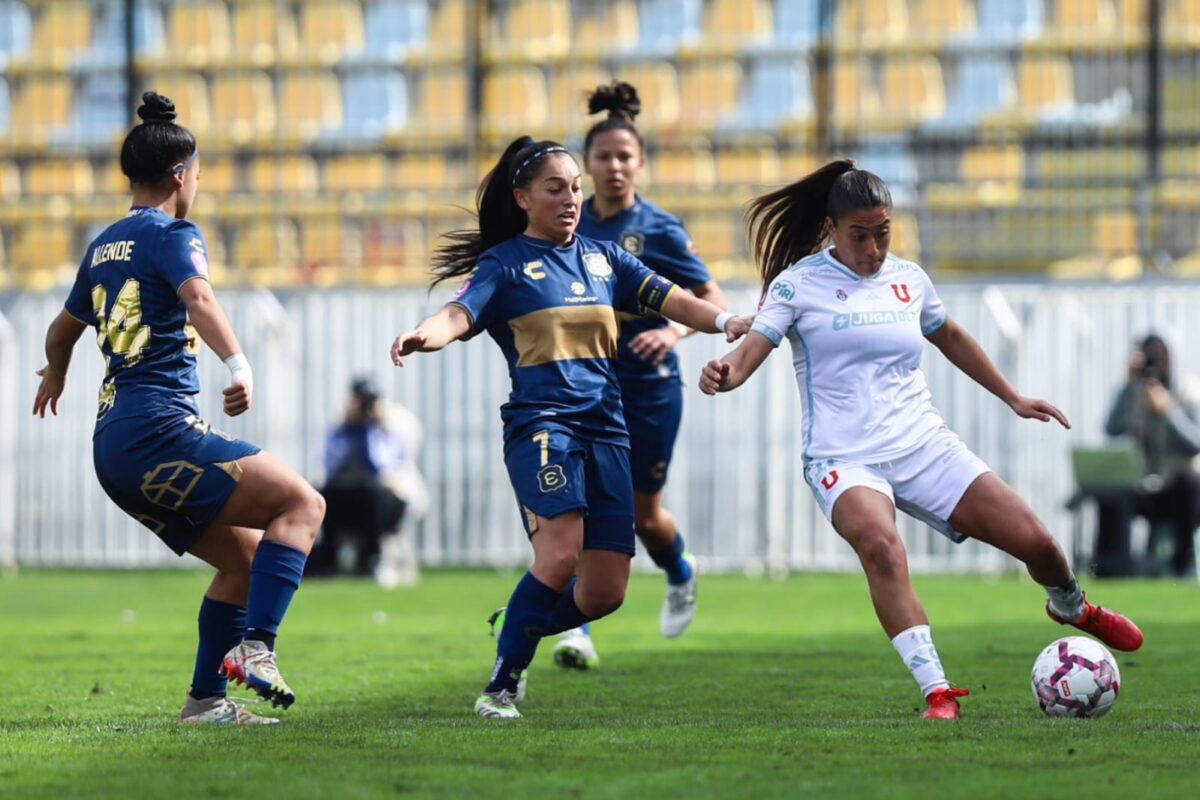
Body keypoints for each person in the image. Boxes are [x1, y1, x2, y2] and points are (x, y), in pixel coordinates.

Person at [698, 159, 1144, 720]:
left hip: (924, 445)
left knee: (1038, 542)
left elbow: (949, 334)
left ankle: (1073, 608)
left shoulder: (909, 279)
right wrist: (726, 374)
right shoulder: (798, 284)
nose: (873, 248)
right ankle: (937, 690)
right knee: (882, 549)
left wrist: (1013, 396)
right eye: (859, 236)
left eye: (882, 233)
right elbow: (751, 350)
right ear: (831, 229)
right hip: (844, 457)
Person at [389, 135, 751, 719]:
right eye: (556, 188)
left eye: (575, 188)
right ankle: (501, 687)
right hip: (543, 426)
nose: (571, 198)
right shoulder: (504, 263)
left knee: (605, 592)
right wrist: (423, 334)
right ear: (523, 198)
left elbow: (670, 297)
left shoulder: (605, 257)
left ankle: (519, 625)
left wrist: (729, 319)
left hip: (608, 429)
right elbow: (459, 312)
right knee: (559, 557)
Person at [32, 92, 324, 725]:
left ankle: (205, 702)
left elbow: (60, 332)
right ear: (180, 176)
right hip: (160, 430)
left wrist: (54, 376)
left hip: (112, 447)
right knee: (304, 504)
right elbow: (199, 298)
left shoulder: (103, 245)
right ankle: (258, 649)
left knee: (246, 560)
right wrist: (239, 364)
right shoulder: (173, 233)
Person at [546, 82, 728, 668]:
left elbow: (710, 296)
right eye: (603, 157)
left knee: (642, 515)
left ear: (640, 163)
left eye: (625, 156)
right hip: (586, 382)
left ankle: (679, 568)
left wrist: (671, 331)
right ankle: (578, 631)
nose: (614, 166)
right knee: (583, 507)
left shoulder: (659, 229)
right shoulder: (568, 225)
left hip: (648, 387)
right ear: (587, 165)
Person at [1097, 334, 1200, 577]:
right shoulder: (1134, 391)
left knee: (1189, 482)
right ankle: (1109, 568)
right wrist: (1129, 384)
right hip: (1144, 485)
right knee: (1109, 492)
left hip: (1180, 490)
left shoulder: (1188, 390)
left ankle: (1180, 567)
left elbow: (1196, 442)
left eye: (1160, 354)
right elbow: (1111, 429)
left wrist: (1168, 411)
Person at [311, 376, 420, 579]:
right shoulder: (340, 428)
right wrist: (351, 430)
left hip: (385, 499)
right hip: (347, 497)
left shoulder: (393, 427)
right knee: (322, 495)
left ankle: (373, 557)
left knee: (373, 495)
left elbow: (382, 468)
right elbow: (330, 467)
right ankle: (327, 559)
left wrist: (371, 431)